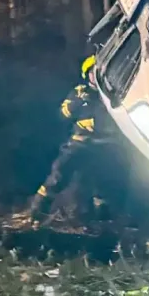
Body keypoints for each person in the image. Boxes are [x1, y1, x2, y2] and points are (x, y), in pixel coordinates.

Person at [27, 55, 119, 226]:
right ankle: (38, 211)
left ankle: (102, 221)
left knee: (104, 182)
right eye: (93, 70)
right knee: (59, 174)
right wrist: (79, 101)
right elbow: (63, 115)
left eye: (101, 68)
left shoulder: (113, 91)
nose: (98, 72)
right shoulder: (79, 92)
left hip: (107, 145)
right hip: (80, 143)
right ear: (87, 74)